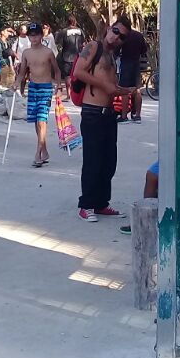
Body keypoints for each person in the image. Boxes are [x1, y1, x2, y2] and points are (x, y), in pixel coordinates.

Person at [73, 21, 135, 221]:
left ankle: (101, 203)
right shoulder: (94, 47)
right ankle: (86, 205)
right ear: (109, 28)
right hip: (92, 112)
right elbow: (79, 72)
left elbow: (111, 86)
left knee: (108, 162)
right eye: (115, 31)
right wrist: (104, 85)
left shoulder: (113, 56)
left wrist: (124, 91)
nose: (116, 37)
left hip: (108, 114)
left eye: (122, 36)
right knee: (93, 160)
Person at [16, 21, 62, 168]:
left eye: (36, 35)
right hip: (33, 88)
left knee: (42, 120)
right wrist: (17, 82)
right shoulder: (26, 53)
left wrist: (58, 85)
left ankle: (38, 153)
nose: (33, 38)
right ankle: (44, 150)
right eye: (31, 35)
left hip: (46, 88)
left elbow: (57, 70)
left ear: (42, 36)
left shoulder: (48, 52)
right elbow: (22, 72)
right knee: (36, 121)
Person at [115, 16, 148, 124]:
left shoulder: (124, 35)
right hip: (136, 64)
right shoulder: (138, 35)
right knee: (137, 90)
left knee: (124, 90)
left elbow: (116, 50)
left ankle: (124, 116)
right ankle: (137, 115)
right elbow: (144, 49)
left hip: (126, 63)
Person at [59, 15, 84, 99]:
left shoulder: (64, 31)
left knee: (67, 76)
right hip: (78, 56)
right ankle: (78, 94)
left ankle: (68, 94)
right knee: (78, 75)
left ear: (67, 22)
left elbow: (59, 43)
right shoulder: (80, 31)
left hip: (67, 57)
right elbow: (83, 42)